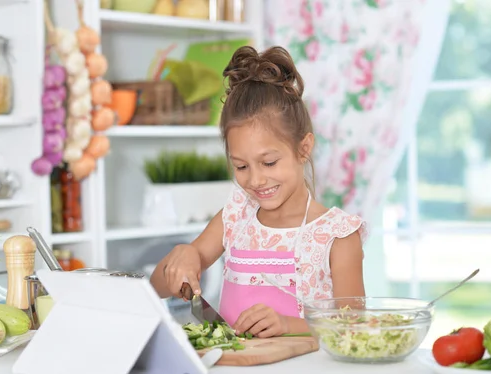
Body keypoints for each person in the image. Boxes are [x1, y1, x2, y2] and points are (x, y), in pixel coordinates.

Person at [150, 45, 367, 337]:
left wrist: (288, 326)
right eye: (241, 167)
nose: (255, 180)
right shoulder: (236, 217)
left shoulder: (337, 235)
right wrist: (182, 256)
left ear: (303, 149)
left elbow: (354, 328)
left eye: (268, 162)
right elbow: (156, 285)